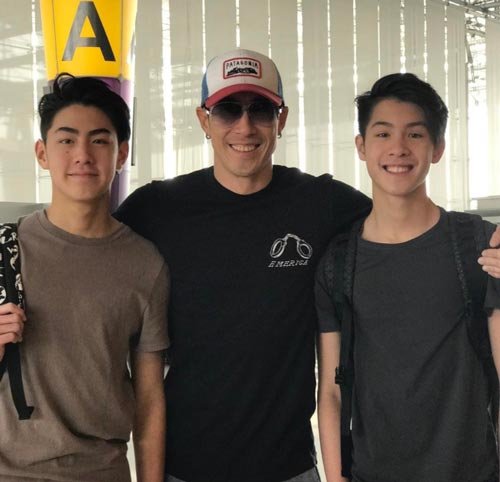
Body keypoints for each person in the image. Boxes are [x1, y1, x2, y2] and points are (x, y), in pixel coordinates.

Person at [114, 48, 500, 482]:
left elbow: (404, 215)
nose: (245, 126)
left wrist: (486, 241)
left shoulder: (321, 203)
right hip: (186, 468)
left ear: (281, 119)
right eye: (228, 110)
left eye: (261, 110)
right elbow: (88, 251)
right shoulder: (157, 208)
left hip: (291, 468)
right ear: (204, 120)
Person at [315, 73, 500, 482]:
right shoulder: (338, 263)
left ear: (438, 148)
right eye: (383, 133)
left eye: (415, 134)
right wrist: (336, 477)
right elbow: (330, 390)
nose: (398, 148)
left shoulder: (478, 245)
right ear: (361, 146)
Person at [0, 74, 169, 482]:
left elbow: (149, 401)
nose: (82, 155)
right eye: (66, 139)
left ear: (121, 153)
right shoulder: (5, 251)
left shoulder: (146, 264)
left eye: (99, 140)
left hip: (101, 471)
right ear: (42, 153)